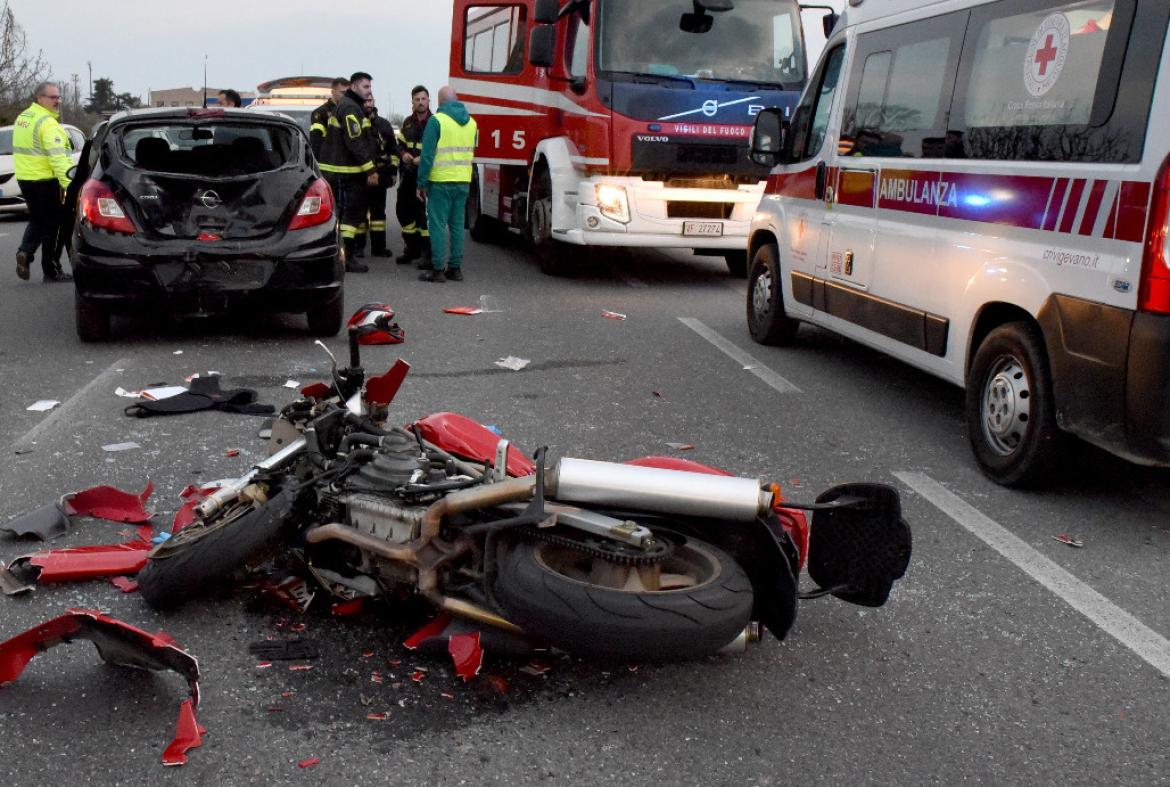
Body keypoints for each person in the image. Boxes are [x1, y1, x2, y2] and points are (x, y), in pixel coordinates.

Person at [318, 71, 378, 272]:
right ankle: (347, 258)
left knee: (345, 216)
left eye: (370, 87)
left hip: (341, 171)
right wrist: (370, 169)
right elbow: (355, 141)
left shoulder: (349, 106)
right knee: (350, 217)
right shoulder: (350, 108)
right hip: (345, 173)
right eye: (365, 87)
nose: (369, 91)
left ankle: (342, 257)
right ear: (354, 86)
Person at [13, 81, 73, 282]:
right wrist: (70, 186)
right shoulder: (47, 123)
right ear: (39, 98)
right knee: (53, 226)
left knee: (38, 219)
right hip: (46, 181)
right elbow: (58, 159)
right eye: (53, 97)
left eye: (58, 97)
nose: (58, 101)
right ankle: (51, 270)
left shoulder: (23, 117)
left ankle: (25, 252)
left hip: (25, 179)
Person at [417, 85, 476, 283]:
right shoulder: (472, 123)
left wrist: (421, 183)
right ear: (456, 99)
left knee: (437, 226)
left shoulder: (436, 121)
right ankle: (455, 269)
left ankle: (438, 269)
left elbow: (427, 156)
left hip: (440, 181)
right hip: (463, 181)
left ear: (440, 101)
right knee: (457, 226)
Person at [395, 85, 432, 267]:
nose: (420, 102)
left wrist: (421, 159)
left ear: (429, 101)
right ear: (412, 102)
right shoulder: (407, 123)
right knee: (403, 210)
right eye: (417, 99)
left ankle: (427, 254)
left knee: (423, 216)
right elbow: (399, 144)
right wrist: (403, 154)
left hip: (426, 175)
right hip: (408, 174)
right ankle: (411, 249)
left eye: (423, 99)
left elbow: (437, 149)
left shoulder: (434, 122)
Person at [363, 96, 398, 258]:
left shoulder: (384, 125)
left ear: (374, 102)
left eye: (370, 101)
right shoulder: (355, 122)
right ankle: (357, 248)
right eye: (365, 101)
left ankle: (378, 248)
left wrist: (393, 172)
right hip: (360, 175)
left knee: (378, 214)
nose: (368, 104)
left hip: (381, 174)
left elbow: (393, 150)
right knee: (359, 213)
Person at [310, 77, 348, 161]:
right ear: (333, 92)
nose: (346, 96)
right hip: (329, 160)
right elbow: (316, 142)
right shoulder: (321, 112)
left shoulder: (351, 111)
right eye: (343, 92)